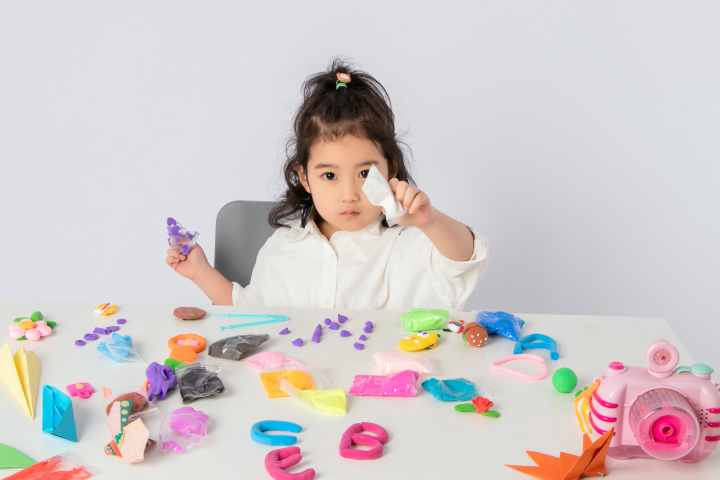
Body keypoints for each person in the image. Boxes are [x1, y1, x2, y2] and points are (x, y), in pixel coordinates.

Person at [166, 59, 488, 311]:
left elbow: (462, 260)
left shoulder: (406, 246)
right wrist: (200, 273)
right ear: (304, 176)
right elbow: (252, 313)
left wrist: (430, 222)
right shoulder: (284, 248)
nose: (349, 194)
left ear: (390, 169)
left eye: (364, 173)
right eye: (329, 176)